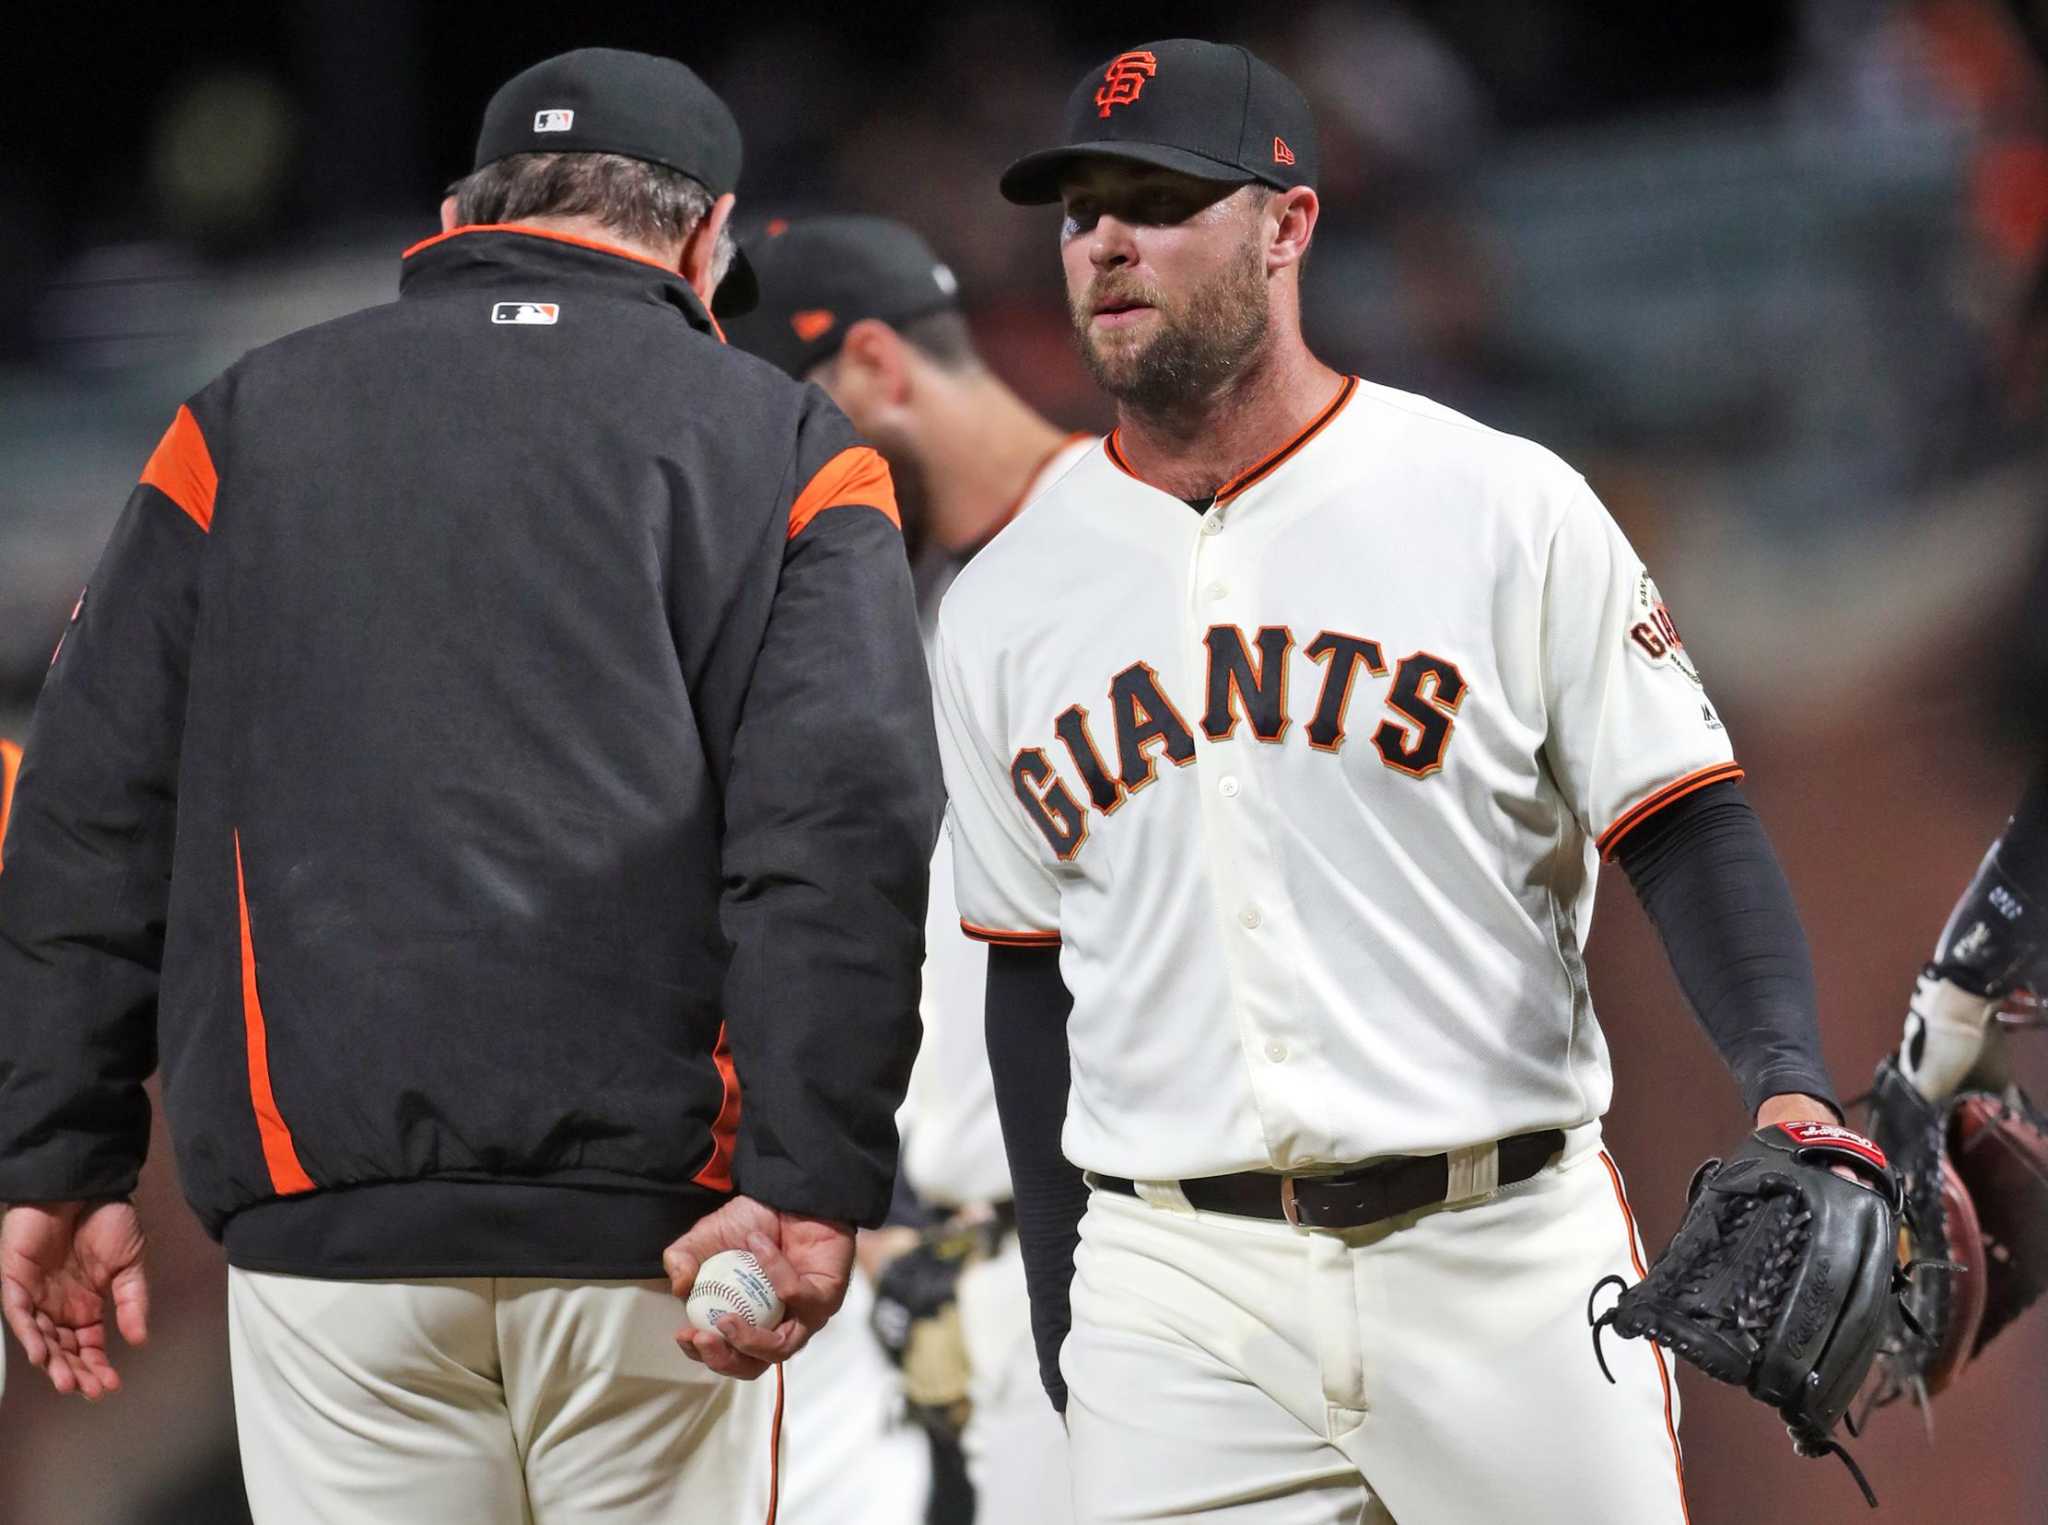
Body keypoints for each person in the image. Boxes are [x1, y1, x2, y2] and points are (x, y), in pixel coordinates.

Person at [0, 47, 940, 1525]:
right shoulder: (788, 446)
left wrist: (61, 1157)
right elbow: (841, 835)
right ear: (710, 240)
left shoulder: (237, 428)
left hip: (330, 1248)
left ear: (454, 215)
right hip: (662, 1241)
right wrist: (810, 1182)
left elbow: (88, 813)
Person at [933, 38, 1850, 1523]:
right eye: (1078, 206)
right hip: (1179, 1294)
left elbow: (1682, 818)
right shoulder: (1003, 598)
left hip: (1498, 1254)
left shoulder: (1494, 503)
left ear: (1288, 227)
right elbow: (1028, 980)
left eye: (1158, 198)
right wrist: (1065, 1305)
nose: (1106, 239)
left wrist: (1787, 1076)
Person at [730, 215, 1086, 1525]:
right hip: (970, 1269)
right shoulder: (928, 603)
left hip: (1144, 1258)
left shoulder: (1136, 556)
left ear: (877, 368)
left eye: (788, 437)